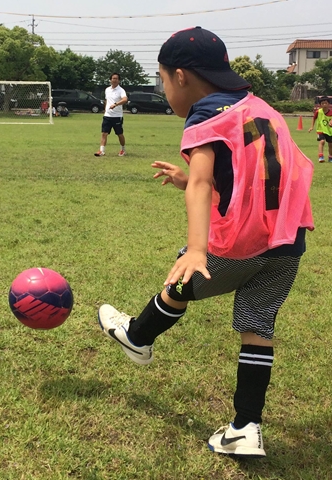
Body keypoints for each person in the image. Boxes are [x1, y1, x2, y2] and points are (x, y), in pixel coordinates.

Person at [97, 27, 314, 458]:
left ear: (180, 76)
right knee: (258, 327)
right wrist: (192, 180)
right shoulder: (262, 108)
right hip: (288, 242)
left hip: (237, 243)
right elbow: (251, 173)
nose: (163, 89)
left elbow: (200, 183)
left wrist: (197, 246)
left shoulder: (206, 114)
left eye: (160, 79)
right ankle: (245, 427)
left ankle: (138, 337)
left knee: (183, 278)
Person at [94, 73, 128, 157]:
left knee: (119, 134)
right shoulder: (107, 90)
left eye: (116, 78)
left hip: (117, 116)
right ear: (110, 80)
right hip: (107, 116)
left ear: (119, 80)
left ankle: (123, 150)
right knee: (104, 133)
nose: (114, 80)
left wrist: (116, 104)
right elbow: (107, 100)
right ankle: (102, 151)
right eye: (113, 78)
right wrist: (105, 110)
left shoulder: (121, 90)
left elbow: (125, 99)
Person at [308, 97, 332, 163]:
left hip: (329, 131)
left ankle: (330, 157)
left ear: (328, 104)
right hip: (320, 130)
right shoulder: (318, 112)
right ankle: (321, 156)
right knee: (322, 141)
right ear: (320, 105)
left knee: (331, 144)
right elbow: (314, 118)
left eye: (326, 103)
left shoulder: (331, 113)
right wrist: (311, 127)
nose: (324, 105)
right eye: (322, 103)